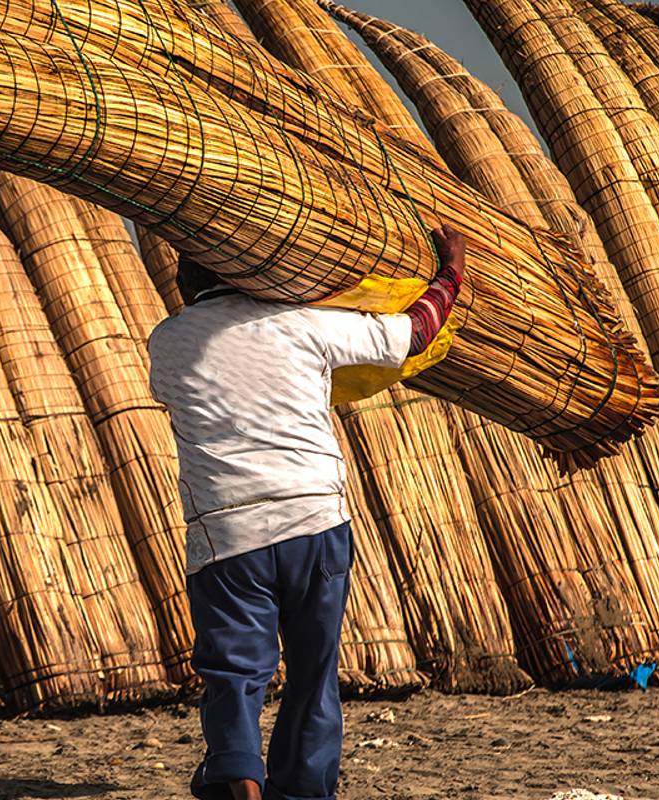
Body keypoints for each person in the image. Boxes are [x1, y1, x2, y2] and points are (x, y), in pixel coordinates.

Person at [148, 227, 467, 800]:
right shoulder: (305, 325)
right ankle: (300, 792)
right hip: (315, 522)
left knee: (235, 675)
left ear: (186, 284)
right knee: (313, 676)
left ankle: (241, 781)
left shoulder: (167, 342)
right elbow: (415, 333)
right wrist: (450, 272)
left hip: (228, 533)